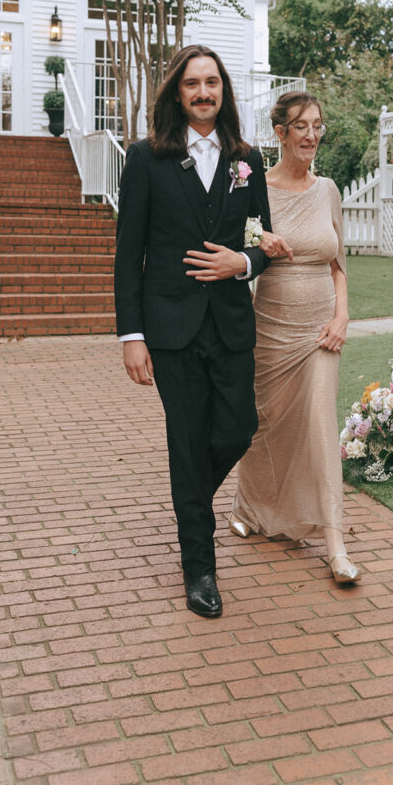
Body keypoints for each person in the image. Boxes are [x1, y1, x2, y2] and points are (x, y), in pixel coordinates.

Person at [114, 43, 271, 619]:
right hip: (170, 327)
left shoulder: (245, 159)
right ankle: (199, 570)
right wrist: (130, 334)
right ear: (176, 93)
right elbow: (128, 252)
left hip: (231, 323)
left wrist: (245, 263)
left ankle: (190, 507)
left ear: (223, 91)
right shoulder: (145, 158)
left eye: (212, 83)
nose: (203, 93)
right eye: (192, 84)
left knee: (238, 427)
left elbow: (265, 242)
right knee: (187, 441)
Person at [223, 91, 361, 586]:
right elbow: (233, 240)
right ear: (280, 133)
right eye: (301, 126)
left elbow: (338, 266)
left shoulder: (329, 191)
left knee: (321, 426)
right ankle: (251, 505)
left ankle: (335, 543)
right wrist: (259, 240)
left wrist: (342, 316)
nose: (311, 135)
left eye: (318, 125)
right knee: (266, 425)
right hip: (270, 326)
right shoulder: (254, 185)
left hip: (321, 328)